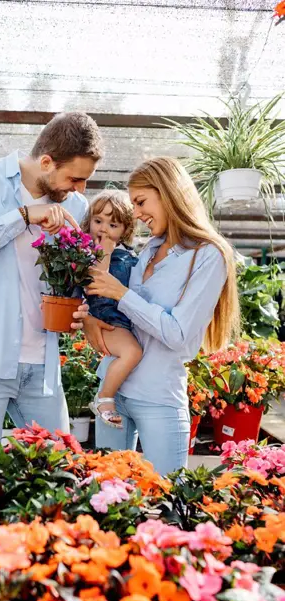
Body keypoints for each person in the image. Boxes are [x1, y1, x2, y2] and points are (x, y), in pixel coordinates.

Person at [0, 112, 104, 453]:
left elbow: (75, 274)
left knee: (60, 469)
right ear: (46, 162)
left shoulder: (74, 204)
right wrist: (23, 217)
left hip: (41, 364)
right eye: (75, 178)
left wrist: (79, 300)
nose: (81, 189)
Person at [84, 157, 240, 475]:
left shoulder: (208, 255)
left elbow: (178, 334)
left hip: (157, 397)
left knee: (171, 499)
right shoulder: (150, 248)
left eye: (141, 202)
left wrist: (121, 294)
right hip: (112, 390)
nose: (137, 214)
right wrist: (89, 319)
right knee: (106, 501)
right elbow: (119, 315)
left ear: (168, 192)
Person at [80, 190, 141, 427]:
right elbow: (96, 280)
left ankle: (107, 394)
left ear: (125, 230)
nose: (103, 229)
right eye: (98, 221)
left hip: (121, 317)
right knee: (132, 352)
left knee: (132, 352)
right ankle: (105, 399)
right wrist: (103, 251)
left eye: (112, 224)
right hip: (106, 316)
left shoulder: (127, 253)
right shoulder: (91, 252)